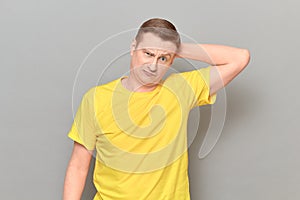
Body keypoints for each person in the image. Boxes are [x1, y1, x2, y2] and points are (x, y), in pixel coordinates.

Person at [63, 18, 250, 200]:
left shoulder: (180, 89)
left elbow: (239, 58)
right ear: (133, 47)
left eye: (163, 58)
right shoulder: (96, 98)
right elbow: (78, 165)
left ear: (172, 60)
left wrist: (176, 47)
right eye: (148, 53)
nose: (153, 66)